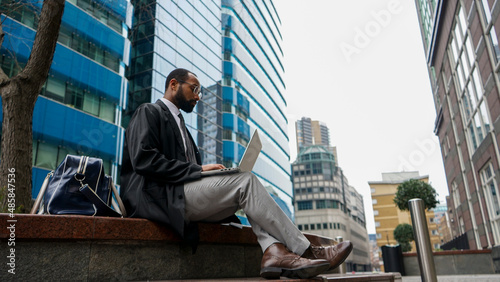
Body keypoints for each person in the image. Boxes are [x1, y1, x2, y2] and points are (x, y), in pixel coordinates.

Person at [120, 68, 353, 279]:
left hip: (182, 197)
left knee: (248, 191)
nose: (198, 96)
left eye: (199, 91)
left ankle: (273, 252)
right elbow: (144, 160)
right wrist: (200, 170)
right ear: (173, 84)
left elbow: (184, 171)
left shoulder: (183, 129)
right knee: (246, 182)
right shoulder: (148, 111)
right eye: (194, 89)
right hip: (159, 198)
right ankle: (307, 250)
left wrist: (209, 175)